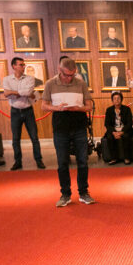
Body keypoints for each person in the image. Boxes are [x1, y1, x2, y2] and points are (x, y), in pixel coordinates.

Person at [41, 57, 95, 206]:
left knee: (83, 161)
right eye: (66, 75)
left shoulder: (81, 83)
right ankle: (65, 194)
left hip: (79, 127)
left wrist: (79, 108)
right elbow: (44, 106)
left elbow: (89, 105)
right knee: (62, 162)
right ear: (59, 70)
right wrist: (57, 108)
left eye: (72, 75)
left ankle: (84, 192)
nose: (69, 78)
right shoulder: (51, 84)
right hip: (60, 128)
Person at [2, 57, 45, 170]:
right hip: (15, 111)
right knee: (16, 138)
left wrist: (13, 92)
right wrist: (20, 93)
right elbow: (6, 94)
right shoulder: (7, 79)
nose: (23, 66)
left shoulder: (30, 78)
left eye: (23, 64)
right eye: (21, 64)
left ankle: (39, 160)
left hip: (28, 111)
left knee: (34, 137)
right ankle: (17, 162)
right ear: (14, 66)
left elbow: (28, 92)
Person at [103, 91, 133, 165]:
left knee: (126, 136)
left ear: (121, 99)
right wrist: (114, 132)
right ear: (112, 100)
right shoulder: (109, 110)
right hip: (113, 130)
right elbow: (107, 124)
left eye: (118, 98)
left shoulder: (127, 109)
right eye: (114, 99)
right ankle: (113, 158)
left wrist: (122, 132)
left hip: (124, 129)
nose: (116, 100)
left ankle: (127, 158)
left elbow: (130, 123)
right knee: (110, 137)